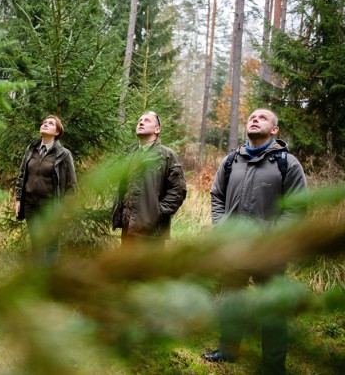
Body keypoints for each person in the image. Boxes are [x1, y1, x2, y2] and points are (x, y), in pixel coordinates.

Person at [203, 108, 307, 375]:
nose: (254, 119)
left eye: (262, 117)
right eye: (251, 117)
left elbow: (297, 209)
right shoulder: (231, 160)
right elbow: (216, 195)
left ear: (274, 130)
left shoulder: (287, 163)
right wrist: (222, 226)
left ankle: (273, 365)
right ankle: (228, 350)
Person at [112, 111, 187, 249]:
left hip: (152, 234)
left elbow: (178, 191)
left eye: (147, 120)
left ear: (157, 129)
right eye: (140, 120)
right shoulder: (129, 154)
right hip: (127, 230)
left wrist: (157, 212)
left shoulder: (167, 156)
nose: (141, 122)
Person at [15, 115, 77, 264]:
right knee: (36, 243)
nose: (45, 124)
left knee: (50, 245)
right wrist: (18, 199)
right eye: (44, 122)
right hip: (30, 204)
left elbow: (71, 185)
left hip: (50, 206)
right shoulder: (31, 149)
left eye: (50, 123)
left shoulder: (64, 154)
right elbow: (22, 174)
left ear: (57, 132)